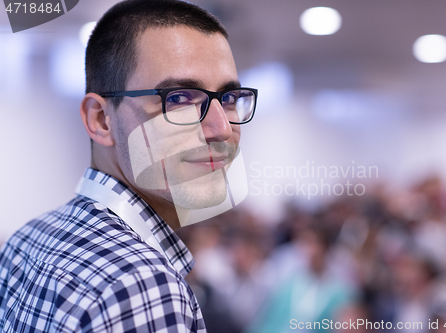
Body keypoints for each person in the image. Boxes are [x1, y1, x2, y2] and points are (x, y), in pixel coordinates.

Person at [0, 0, 257, 331]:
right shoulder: (141, 284)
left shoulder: (29, 238)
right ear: (101, 120)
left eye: (229, 98)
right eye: (178, 98)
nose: (222, 128)